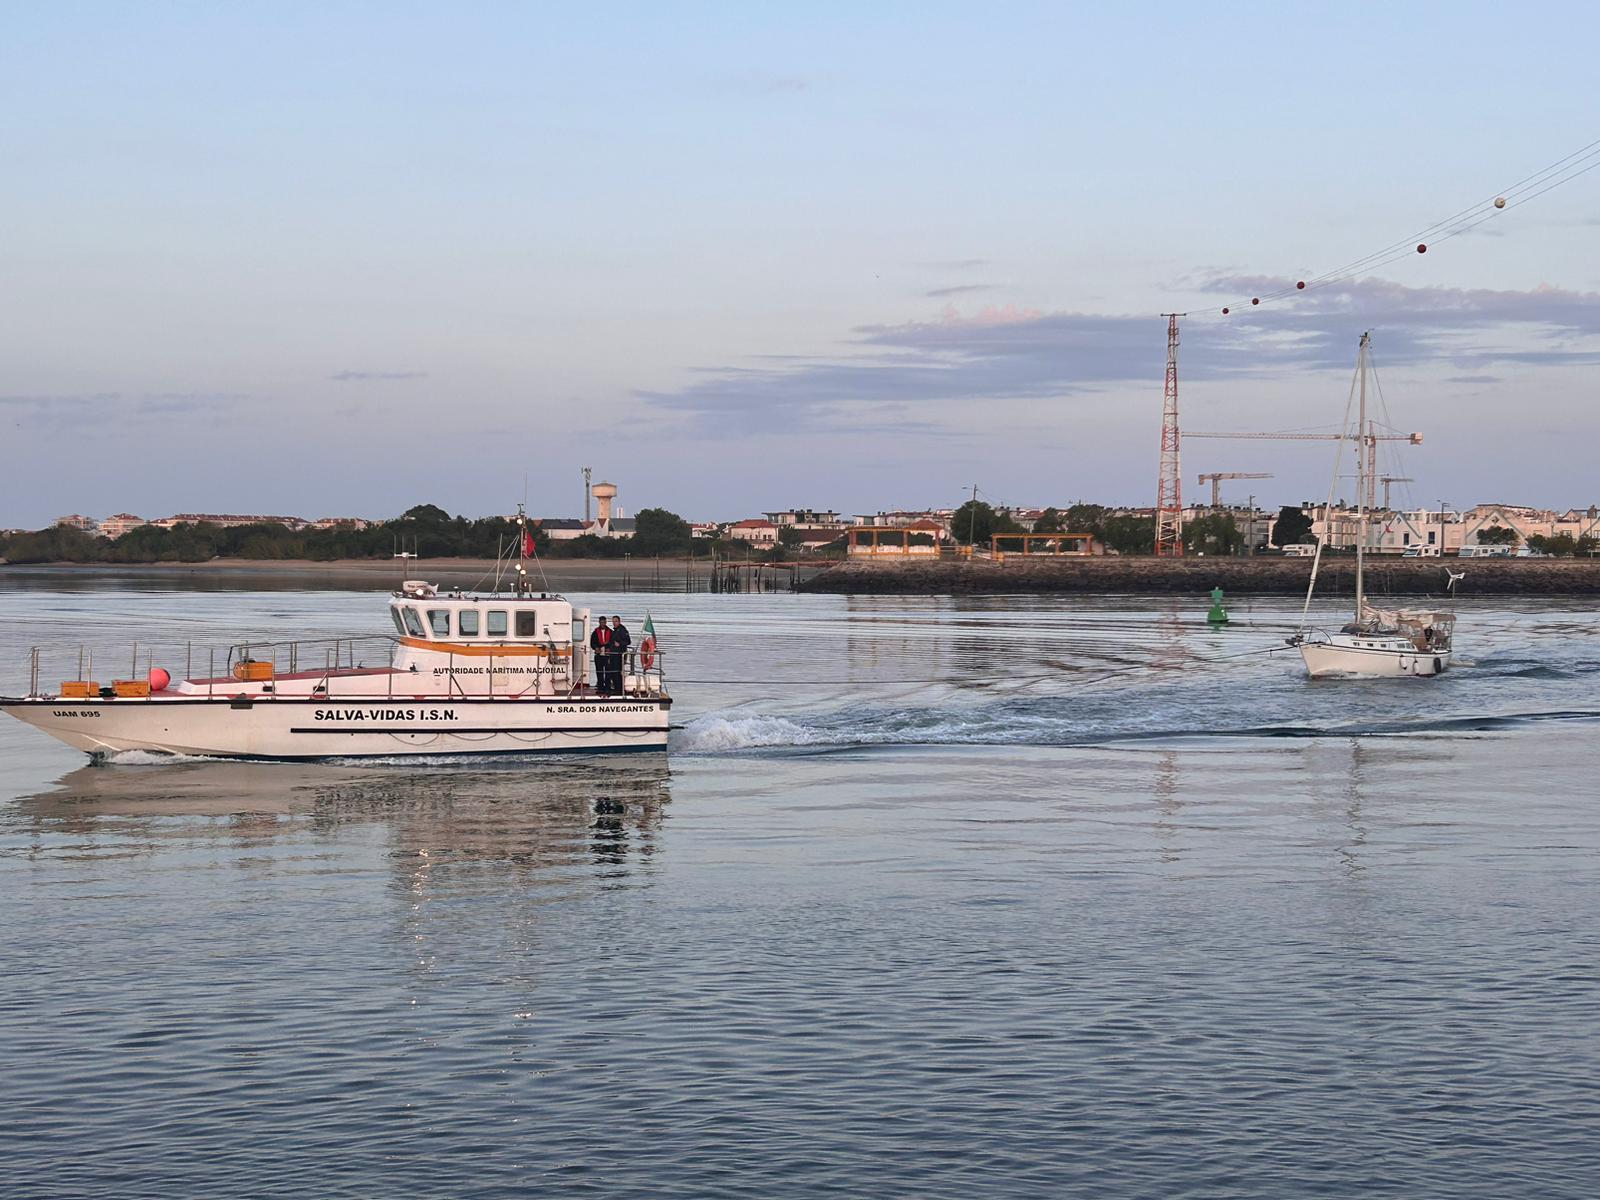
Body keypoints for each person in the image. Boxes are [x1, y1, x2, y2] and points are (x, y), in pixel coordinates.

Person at [589, 618, 615, 693]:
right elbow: (592, 642)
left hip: (607, 655)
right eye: (601, 622)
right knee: (599, 672)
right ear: (599, 622)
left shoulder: (610, 632)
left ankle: (607, 687)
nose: (603, 624)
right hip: (599, 655)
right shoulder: (595, 632)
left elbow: (612, 642)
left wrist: (609, 648)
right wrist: (596, 647)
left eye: (604, 622)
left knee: (608, 672)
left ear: (606, 622)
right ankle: (600, 687)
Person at [609, 616, 632, 693]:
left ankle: (619, 689)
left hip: (619, 654)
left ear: (619, 621)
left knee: (617, 672)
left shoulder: (622, 630)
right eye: (613, 621)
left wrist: (620, 643)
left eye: (615, 621)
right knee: (613, 672)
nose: (614, 623)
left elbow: (628, 641)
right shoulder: (614, 631)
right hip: (613, 654)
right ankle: (616, 688)